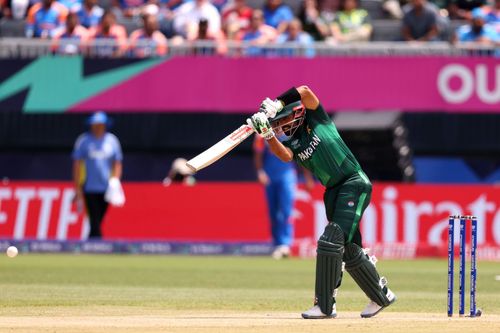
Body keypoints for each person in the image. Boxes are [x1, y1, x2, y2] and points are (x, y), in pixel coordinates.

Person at [246, 86, 396, 319]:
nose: (278, 127)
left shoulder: (316, 119)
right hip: (333, 191)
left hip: (353, 182)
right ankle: (381, 295)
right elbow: (284, 156)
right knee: (347, 249)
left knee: (330, 240)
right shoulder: (294, 143)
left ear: (294, 115)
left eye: (280, 122)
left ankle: (325, 306)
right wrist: (267, 134)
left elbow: (305, 91)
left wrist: (277, 102)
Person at [72, 112, 123, 239]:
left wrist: (115, 181)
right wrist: (77, 187)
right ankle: (97, 243)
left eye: (100, 124)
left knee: (99, 218)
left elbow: (117, 163)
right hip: (89, 187)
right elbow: (77, 164)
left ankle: (92, 242)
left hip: (107, 188)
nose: (97, 127)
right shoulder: (84, 141)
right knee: (94, 218)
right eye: (95, 124)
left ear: (105, 125)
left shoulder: (112, 141)